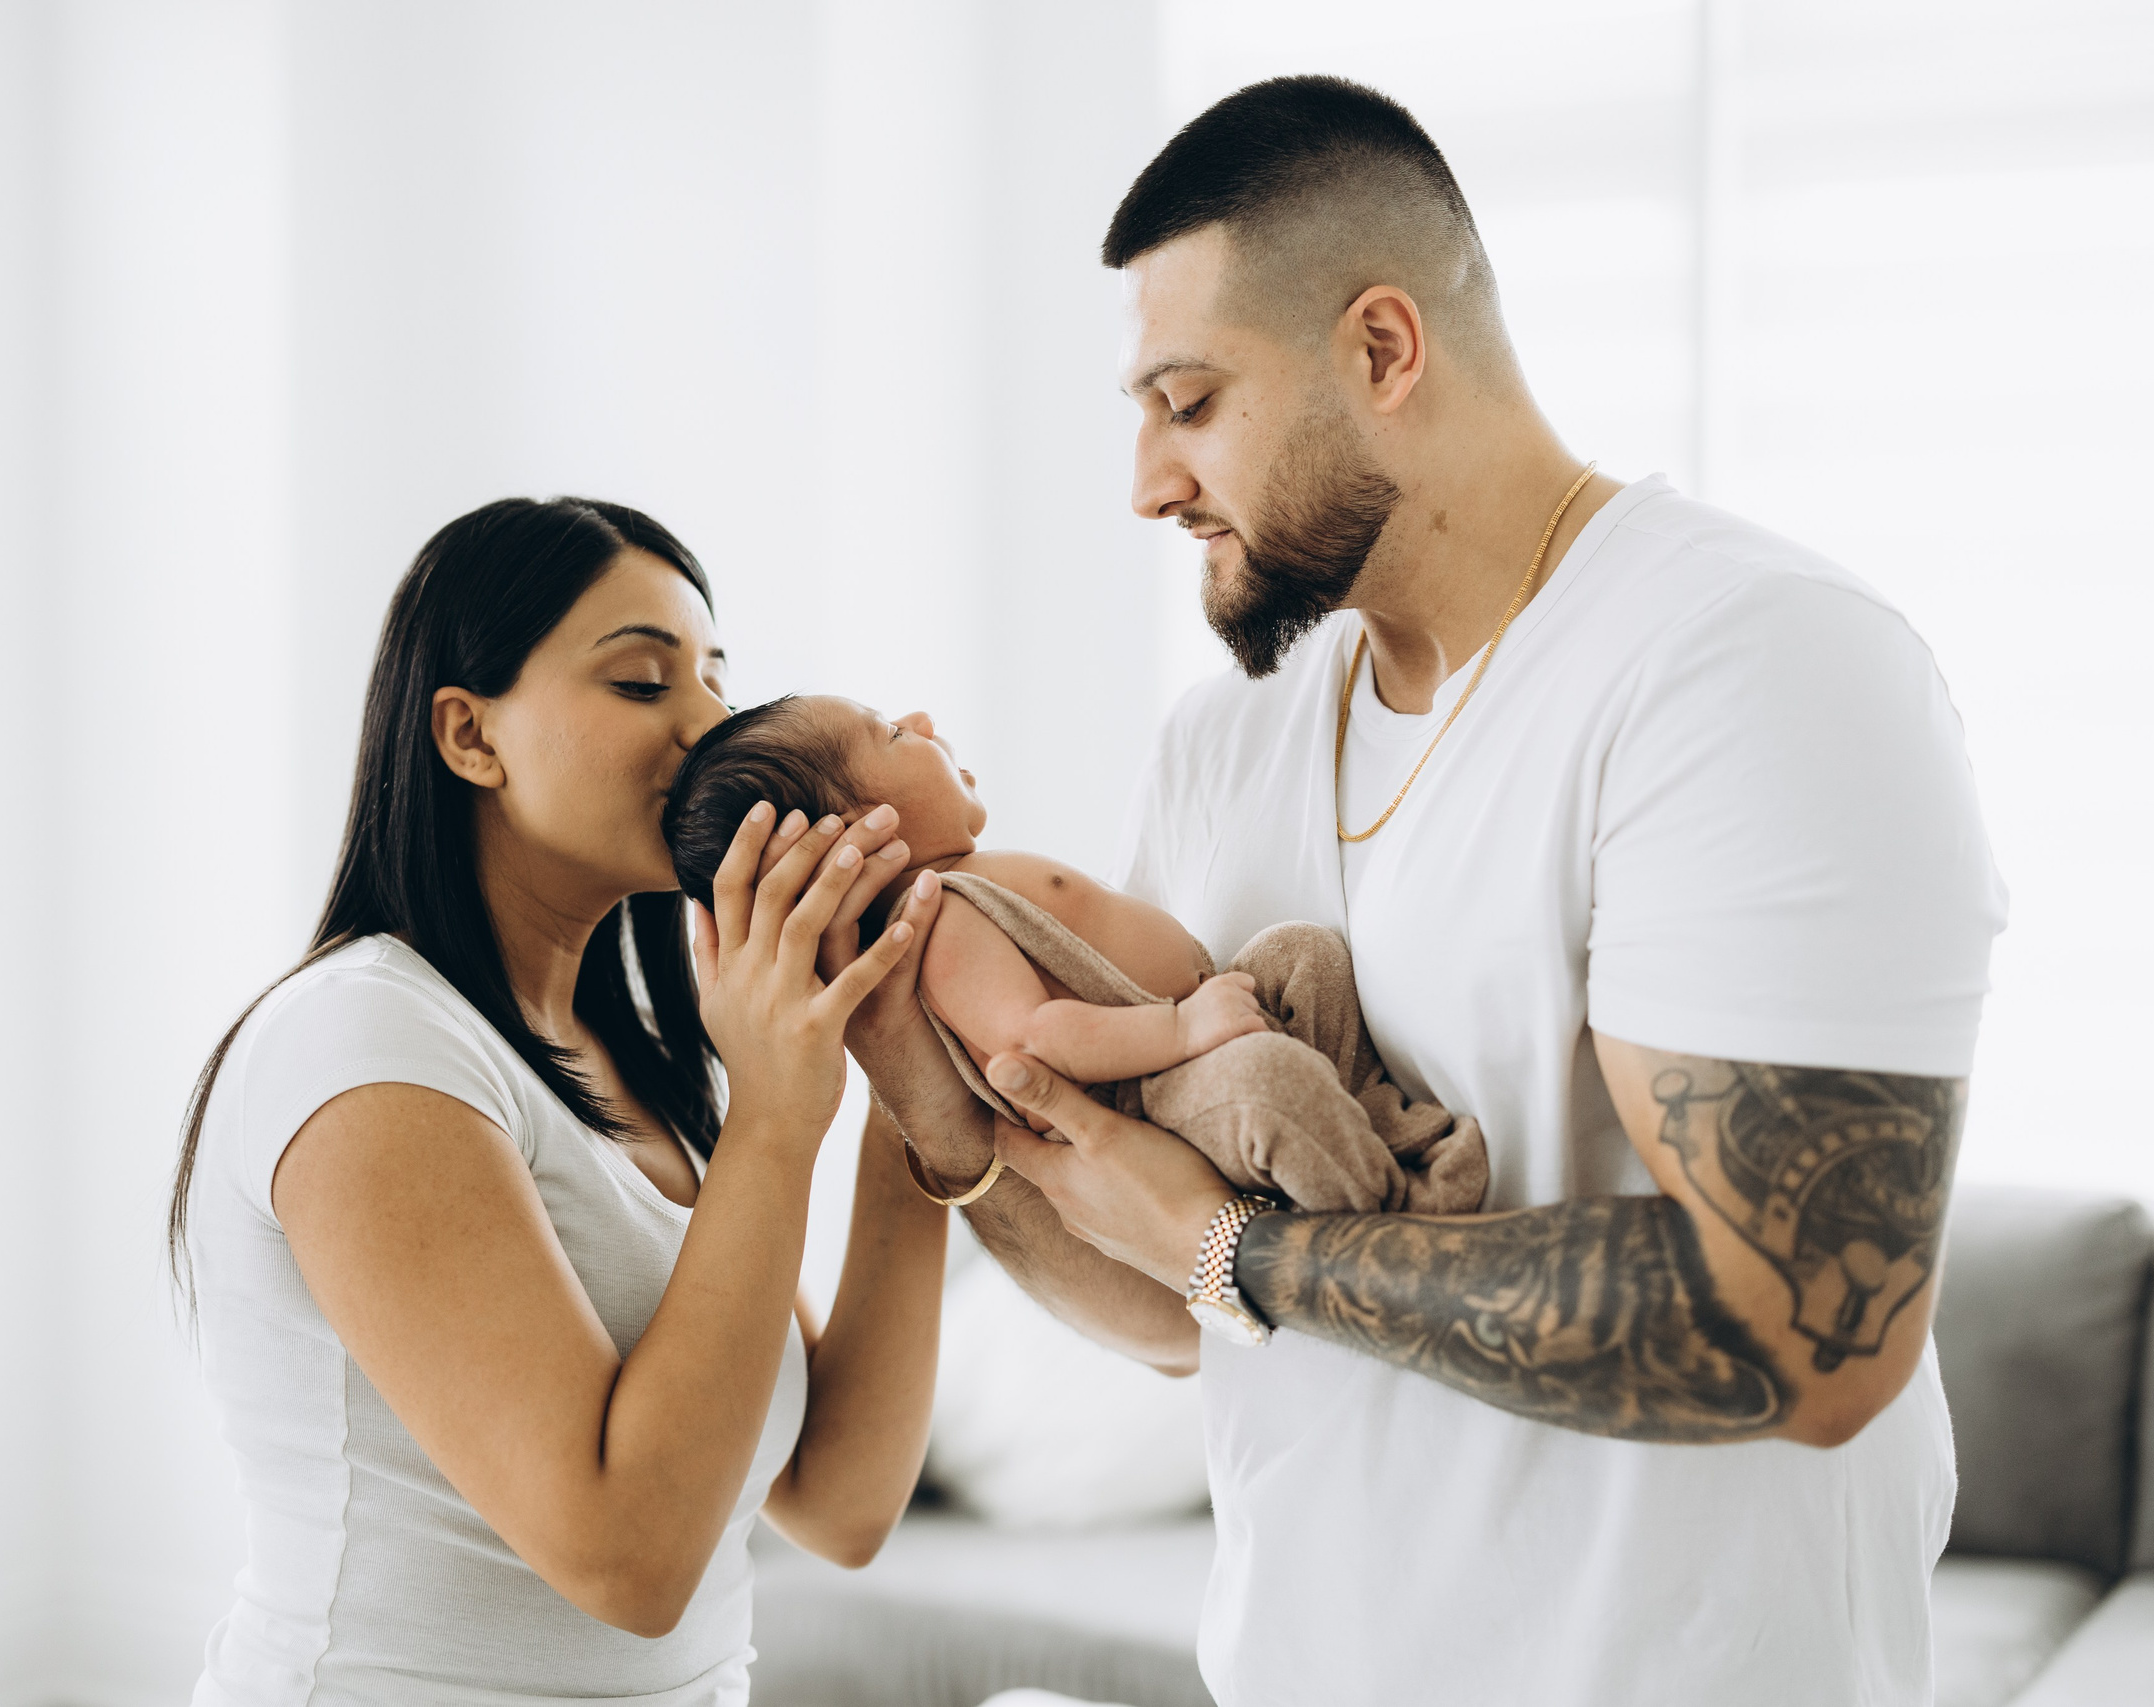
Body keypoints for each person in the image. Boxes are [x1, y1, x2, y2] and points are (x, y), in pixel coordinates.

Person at [826, 76, 2005, 1706]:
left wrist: (1249, 1253)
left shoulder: (1748, 665)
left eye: (1189, 402)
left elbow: (1808, 1334)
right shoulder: (1222, 745)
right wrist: (919, 1072)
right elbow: (1171, 1303)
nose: (1148, 483)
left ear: (1383, 348)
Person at [167, 496, 949, 1706]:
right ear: (469, 735)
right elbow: (628, 1562)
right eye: (641, 682)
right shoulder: (366, 1040)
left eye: (716, 678)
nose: (710, 725)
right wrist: (776, 1121)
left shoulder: (637, 1059)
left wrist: (911, 1084)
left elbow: (838, 1501)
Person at [662, 692, 1486, 1217]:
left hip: (1202, 1021)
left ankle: (1379, 1127)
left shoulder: (967, 885)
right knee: (1270, 1091)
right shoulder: (940, 923)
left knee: (1302, 953)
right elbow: (1035, 1040)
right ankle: (1399, 1209)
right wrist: (1182, 1029)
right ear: (855, 837)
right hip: (1157, 1086)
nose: (919, 718)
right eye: (891, 732)